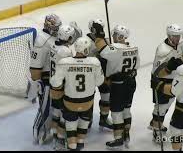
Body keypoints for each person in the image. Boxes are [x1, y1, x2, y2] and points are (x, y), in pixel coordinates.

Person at [91, 22, 140, 150]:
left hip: (119, 84)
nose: (112, 36)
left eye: (114, 34)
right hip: (131, 82)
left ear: (119, 36)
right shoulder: (133, 47)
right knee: (127, 109)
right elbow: (137, 65)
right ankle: (126, 134)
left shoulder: (115, 48)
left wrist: (99, 34)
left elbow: (102, 50)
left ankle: (118, 139)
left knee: (117, 112)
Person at [50, 36, 104, 151]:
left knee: (70, 123)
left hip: (70, 102)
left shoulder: (65, 62)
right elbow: (100, 82)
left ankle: (71, 144)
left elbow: (55, 83)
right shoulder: (95, 62)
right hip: (87, 102)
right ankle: (80, 142)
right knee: (83, 122)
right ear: (86, 50)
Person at [29, 13, 62, 144]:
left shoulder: (50, 38)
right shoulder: (41, 41)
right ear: (50, 27)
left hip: (54, 79)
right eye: (56, 27)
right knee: (45, 108)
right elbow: (35, 67)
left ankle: (48, 130)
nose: (58, 30)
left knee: (53, 108)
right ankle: (38, 132)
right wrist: (38, 85)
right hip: (46, 80)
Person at [149, 24, 183, 142]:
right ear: (168, 35)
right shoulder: (163, 50)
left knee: (168, 104)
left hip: (173, 80)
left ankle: (156, 121)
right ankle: (156, 130)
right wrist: (171, 66)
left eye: (178, 36)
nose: (177, 39)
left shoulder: (178, 46)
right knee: (161, 107)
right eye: (174, 36)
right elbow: (159, 72)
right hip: (161, 81)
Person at [49, 25, 76, 150]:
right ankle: (59, 139)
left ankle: (53, 134)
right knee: (64, 113)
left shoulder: (53, 45)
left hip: (53, 84)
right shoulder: (65, 51)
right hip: (61, 85)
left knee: (56, 110)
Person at [86, 19, 113, 131]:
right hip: (90, 76)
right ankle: (87, 119)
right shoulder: (85, 42)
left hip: (104, 75)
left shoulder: (105, 41)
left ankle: (104, 118)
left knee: (106, 97)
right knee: (88, 98)